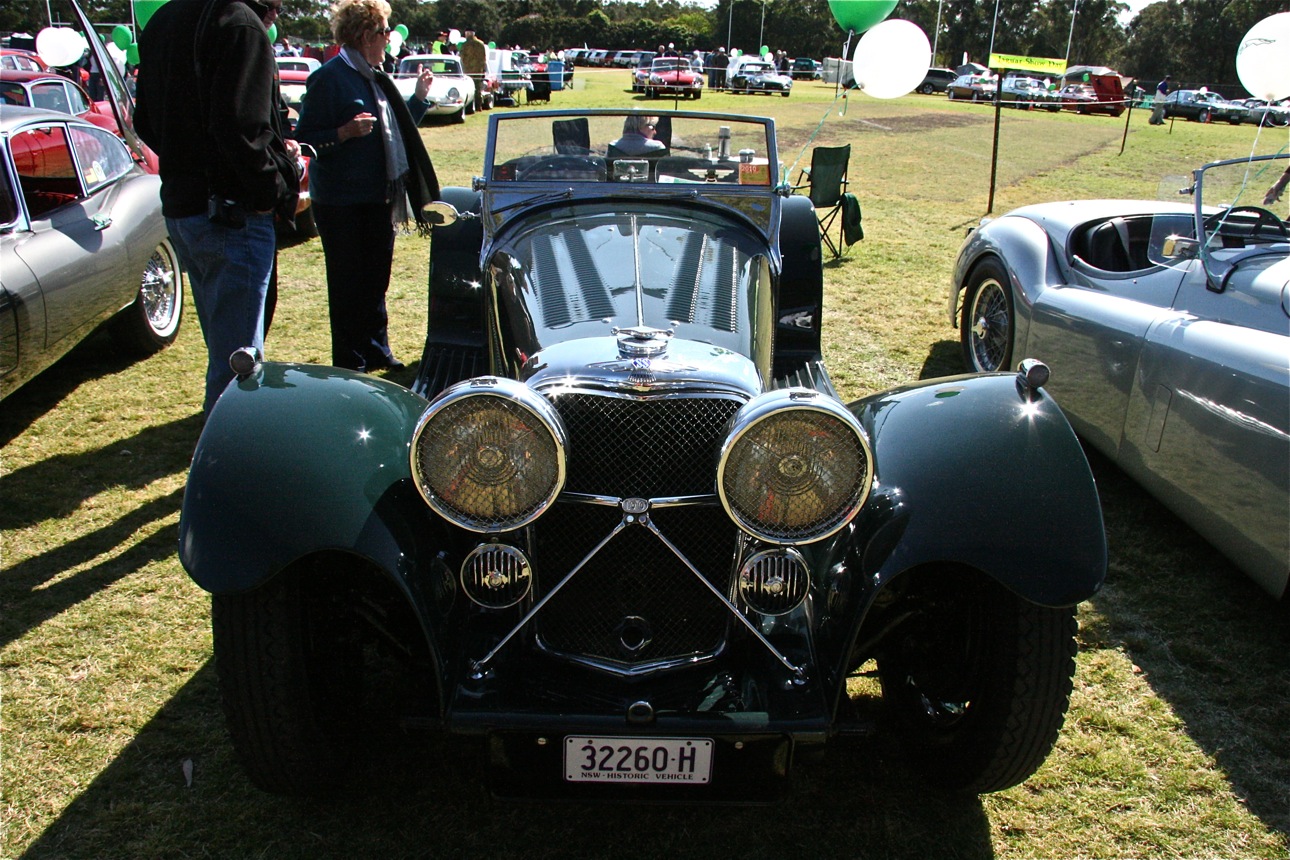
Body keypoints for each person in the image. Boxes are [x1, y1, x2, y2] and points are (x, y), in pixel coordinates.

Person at [135, 0, 300, 417]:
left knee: (225, 348)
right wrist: (274, 189)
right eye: (274, 7)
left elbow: (145, 122)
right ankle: (230, 469)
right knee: (237, 364)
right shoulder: (239, 25)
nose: (275, 13)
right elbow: (241, 132)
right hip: (229, 212)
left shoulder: (164, 20)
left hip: (185, 207)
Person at [293, 0, 440, 373]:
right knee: (347, 285)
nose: (388, 39)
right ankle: (350, 360)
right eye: (383, 32)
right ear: (363, 36)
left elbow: (399, 130)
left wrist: (419, 99)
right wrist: (342, 133)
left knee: (376, 280)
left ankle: (377, 349)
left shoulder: (375, 77)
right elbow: (304, 138)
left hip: (378, 198)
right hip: (340, 203)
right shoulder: (328, 78)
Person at [460, 27, 487, 113]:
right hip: (478, 69)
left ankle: (470, 107)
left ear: (467, 34)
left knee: (468, 89)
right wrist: (483, 69)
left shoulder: (465, 45)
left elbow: (462, 57)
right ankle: (479, 106)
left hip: (467, 70)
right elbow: (484, 58)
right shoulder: (480, 44)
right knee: (477, 88)